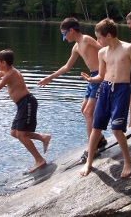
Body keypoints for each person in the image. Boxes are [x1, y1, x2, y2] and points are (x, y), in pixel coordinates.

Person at [79, 18, 131, 178]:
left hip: (121, 90)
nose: (97, 41)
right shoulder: (102, 52)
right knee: (96, 127)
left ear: (109, 35)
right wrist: (90, 79)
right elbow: (101, 75)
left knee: (116, 129)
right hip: (106, 89)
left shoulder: (127, 48)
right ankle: (89, 161)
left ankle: (128, 161)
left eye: (99, 37)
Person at [37, 17, 106, 163]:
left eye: (64, 34)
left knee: (88, 112)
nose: (64, 37)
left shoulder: (86, 39)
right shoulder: (76, 47)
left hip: (100, 77)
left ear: (72, 30)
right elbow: (67, 66)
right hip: (91, 77)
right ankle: (99, 139)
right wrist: (50, 77)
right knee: (83, 109)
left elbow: (105, 49)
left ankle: (91, 148)